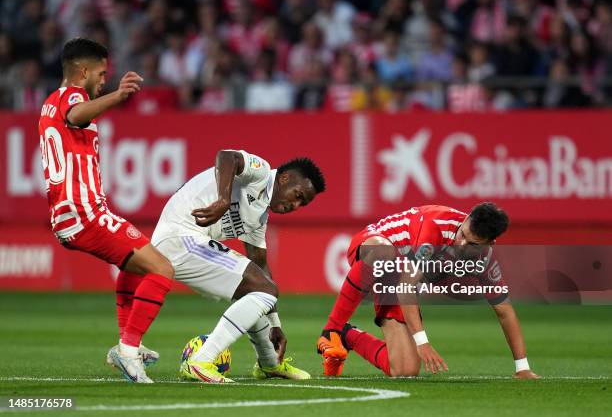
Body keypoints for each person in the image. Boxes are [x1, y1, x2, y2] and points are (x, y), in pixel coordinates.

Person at [38, 37, 174, 384]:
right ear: (82, 72)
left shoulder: (48, 104)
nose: (103, 80)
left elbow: (70, 118)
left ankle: (128, 344)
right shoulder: (73, 97)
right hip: (84, 213)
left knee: (135, 266)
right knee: (162, 269)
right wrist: (118, 96)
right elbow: (76, 112)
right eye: (100, 73)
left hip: (74, 214)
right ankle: (128, 350)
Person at [149, 149, 326, 383]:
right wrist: (223, 199)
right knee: (264, 289)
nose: (295, 205)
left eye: (301, 204)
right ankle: (201, 361)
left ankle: (269, 363)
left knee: (260, 289)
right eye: (297, 195)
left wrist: (275, 324)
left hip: (188, 242)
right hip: (179, 237)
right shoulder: (261, 173)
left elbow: (260, 265)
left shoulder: (259, 217)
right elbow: (226, 157)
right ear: (284, 179)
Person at [317, 203, 539, 380]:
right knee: (382, 252)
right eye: (463, 234)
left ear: (490, 244)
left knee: (405, 371)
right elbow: (407, 286)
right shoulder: (436, 226)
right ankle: (331, 331)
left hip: (397, 278)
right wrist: (422, 341)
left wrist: (522, 367)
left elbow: (504, 311)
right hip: (371, 247)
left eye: (472, 244)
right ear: (466, 220)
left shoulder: (485, 260)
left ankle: (347, 336)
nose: (460, 244)